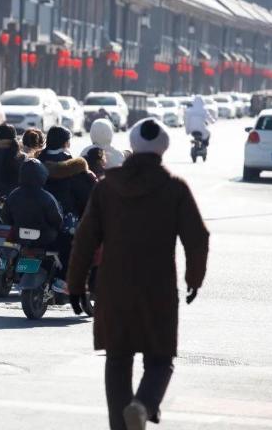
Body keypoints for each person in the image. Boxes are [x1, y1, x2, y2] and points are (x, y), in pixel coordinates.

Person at [67, 119, 209, 430]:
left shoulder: (106, 187)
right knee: (160, 358)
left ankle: (121, 425)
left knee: (118, 359)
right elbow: (197, 238)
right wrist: (194, 279)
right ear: (164, 147)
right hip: (158, 287)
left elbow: (85, 239)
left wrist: (75, 284)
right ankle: (143, 405)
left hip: (113, 286)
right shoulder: (175, 188)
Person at [37, 126, 96, 281]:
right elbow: (83, 194)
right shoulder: (73, 164)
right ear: (65, 143)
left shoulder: (37, 160)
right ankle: (63, 279)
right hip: (65, 215)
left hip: (37, 214)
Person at [1, 158, 63, 248]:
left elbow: (5, 217)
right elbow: (57, 221)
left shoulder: (13, 195)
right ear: (42, 175)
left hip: (20, 237)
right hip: (44, 239)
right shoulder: (47, 197)